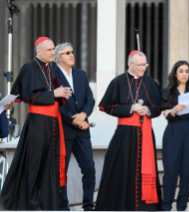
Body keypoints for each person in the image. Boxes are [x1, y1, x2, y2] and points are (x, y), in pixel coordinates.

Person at [0, 37, 72, 210]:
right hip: (38, 125)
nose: (52, 53)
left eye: (53, 49)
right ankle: (31, 204)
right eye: (49, 50)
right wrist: (54, 94)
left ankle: (48, 204)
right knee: (35, 165)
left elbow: (51, 93)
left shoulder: (50, 69)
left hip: (53, 124)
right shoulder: (29, 68)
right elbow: (28, 97)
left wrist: (61, 94)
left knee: (49, 166)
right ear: (38, 51)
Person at [95, 50, 162, 211]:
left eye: (144, 64)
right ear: (129, 64)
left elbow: (158, 108)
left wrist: (148, 110)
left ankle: (145, 207)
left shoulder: (151, 83)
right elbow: (107, 107)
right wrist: (130, 108)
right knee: (120, 168)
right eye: (139, 65)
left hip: (145, 133)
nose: (143, 68)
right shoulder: (118, 82)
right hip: (125, 133)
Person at [53, 43, 95, 211]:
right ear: (58, 58)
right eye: (67, 53)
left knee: (89, 168)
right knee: (62, 170)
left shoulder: (81, 74)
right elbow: (56, 104)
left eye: (72, 52)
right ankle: (63, 206)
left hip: (83, 130)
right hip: (64, 131)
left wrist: (84, 115)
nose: (72, 55)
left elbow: (90, 98)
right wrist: (74, 119)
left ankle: (88, 205)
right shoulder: (52, 75)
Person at [161, 61, 189, 211]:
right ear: (175, 73)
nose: (184, 74)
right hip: (173, 132)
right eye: (181, 71)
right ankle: (166, 206)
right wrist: (175, 110)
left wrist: (173, 113)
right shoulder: (167, 92)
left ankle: (182, 206)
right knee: (170, 170)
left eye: (187, 71)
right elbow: (166, 115)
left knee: (187, 172)